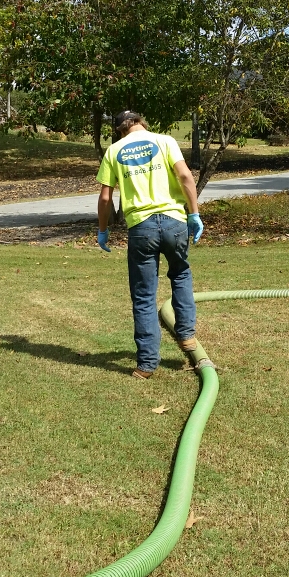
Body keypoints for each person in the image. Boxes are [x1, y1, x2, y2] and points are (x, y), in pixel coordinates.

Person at [96, 110, 204, 379]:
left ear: (120, 130)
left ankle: (146, 365)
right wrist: (194, 214)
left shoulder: (113, 151)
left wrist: (103, 230)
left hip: (141, 228)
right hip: (174, 222)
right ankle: (187, 336)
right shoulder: (165, 141)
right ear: (141, 122)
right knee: (180, 274)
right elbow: (185, 177)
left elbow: (106, 198)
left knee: (144, 295)